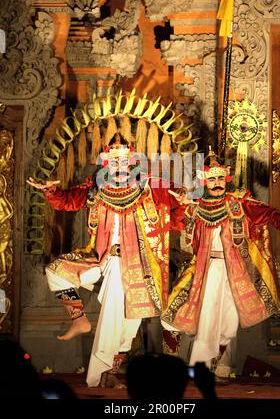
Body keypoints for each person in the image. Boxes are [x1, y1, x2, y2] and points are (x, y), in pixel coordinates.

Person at [27, 133, 180, 387]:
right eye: (113, 160)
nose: (118, 165)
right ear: (108, 163)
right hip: (106, 260)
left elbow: (178, 200)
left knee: (129, 327)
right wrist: (52, 191)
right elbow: (68, 201)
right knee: (57, 272)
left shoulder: (150, 186)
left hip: (140, 266)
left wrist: (186, 200)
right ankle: (81, 324)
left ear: (131, 162)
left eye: (123, 160)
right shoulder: (97, 188)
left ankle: (109, 374)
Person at [162, 148, 280, 378]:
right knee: (200, 319)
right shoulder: (197, 207)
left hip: (234, 273)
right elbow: (176, 223)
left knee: (228, 323)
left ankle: (213, 367)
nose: (216, 183)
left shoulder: (238, 203)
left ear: (225, 179)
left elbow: (263, 212)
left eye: (219, 178)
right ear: (204, 181)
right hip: (205, 271)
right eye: (211, 179)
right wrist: (182, 203)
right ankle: (197, 368)